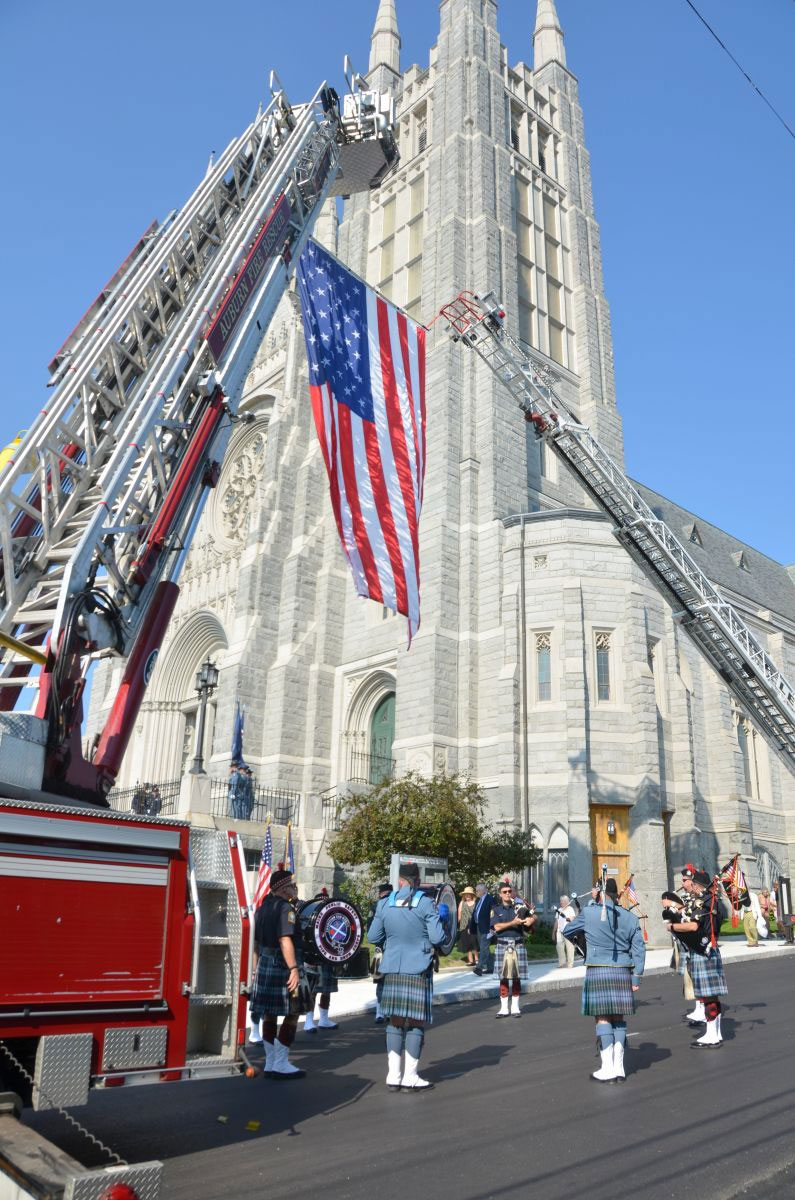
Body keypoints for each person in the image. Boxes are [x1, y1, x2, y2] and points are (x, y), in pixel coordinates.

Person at [367, 861, 445, 1092]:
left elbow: (372, 937)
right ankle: (410, 1076)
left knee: (395, 1021)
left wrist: (391, 944)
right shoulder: (426, 903)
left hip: (392, 967)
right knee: (415, 1023)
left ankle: (393, 1075)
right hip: (418, 968)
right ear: (417, 881)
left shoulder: (384, 904)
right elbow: (438, 938)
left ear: (399, 881)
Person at [564, 877, 646, 1083]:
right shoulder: (630, 917)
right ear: (616, 895)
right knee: (618, 1018)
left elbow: (567, 931)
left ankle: (607, 1066)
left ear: (601, 894)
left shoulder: (590, 913)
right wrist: (636, 976)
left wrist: (583, 932)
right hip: (623, 971)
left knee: (602, 1018)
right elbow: (639, 949)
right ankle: (619, 1067)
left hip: (599, 969)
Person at [250, 867, 309, 1078]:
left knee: (269, 1013)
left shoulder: (261, 908)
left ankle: (270, 1062)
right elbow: (285, 939)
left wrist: (254, 970)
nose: (294, 889)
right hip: (283, 965)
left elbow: (255, 944)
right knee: (293, 1012)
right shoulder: (286, 909)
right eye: (292, 885)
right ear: (284, 889)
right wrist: (293, 968)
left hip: (265, 964)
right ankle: (281, 1063)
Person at [667, 869, 728, 1048]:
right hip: (707, 949)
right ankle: (714, 1033)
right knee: (710, 996)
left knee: (709, 995)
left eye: (691, 883)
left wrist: (674, 926)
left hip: (704, 950)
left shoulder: (705, 901)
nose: (690, 886)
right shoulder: (710, 900)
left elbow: (694, 926)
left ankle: (712, 1035)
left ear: (696, 884)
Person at [490, 881, 536, 1017]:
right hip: (503, 944)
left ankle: (515, 1007)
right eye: (504, 892)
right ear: (500, 894)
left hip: (518, 944)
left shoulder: (519, 907)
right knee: (503, 978)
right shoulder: (496, 909)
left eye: (509, 891)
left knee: (516, 977)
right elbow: (496, 927)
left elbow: (532, 915)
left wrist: (532, 919)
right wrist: (513, 923)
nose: (507, 894)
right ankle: (504, 1008)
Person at [304, 889, 339, 1034]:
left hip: (328, 958)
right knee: (312, 991)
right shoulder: (311, 917)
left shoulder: (331, 917)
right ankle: (308, 1021)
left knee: (326, 990)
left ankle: (324, 1019)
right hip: (314, 958)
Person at [371, 881, 392, 1023]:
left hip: (383, 949)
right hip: (383, 948)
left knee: (383, 982)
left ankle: (382, 1011)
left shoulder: (377, 906)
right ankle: (380, 1010)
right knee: (382, 981)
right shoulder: (375, 907)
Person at [469, 881, 495, 975]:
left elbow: (493, 914)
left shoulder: (490, 899)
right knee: (485, 948)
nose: (476, 892)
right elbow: (475, 913)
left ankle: (479, 967)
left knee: (484, 947)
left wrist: (492, 928)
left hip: (487, 927)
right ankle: (491, 967)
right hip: (478, 927)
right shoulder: (478, 900)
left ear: (483, 891)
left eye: (477, 891)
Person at [553, 894, 576, 969]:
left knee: (570, 947)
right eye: (560, 901)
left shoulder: (570, 909)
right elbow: (556, 921)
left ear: (566, 902)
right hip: (560, 931)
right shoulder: (559, 910)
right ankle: (562, 963)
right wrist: (554, 932)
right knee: (559, 947)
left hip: (568, 931)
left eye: (562, 901)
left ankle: (570, 964)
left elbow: (573, 919)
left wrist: (568, 918)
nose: (561, 902)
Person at [457, 887, 478, 966]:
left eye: (469, 895)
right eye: (466, 895)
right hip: (464, 925)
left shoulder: (476, 903)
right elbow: (459, 915)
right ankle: (471, 960)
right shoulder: (462, 903)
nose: (467, 896)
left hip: (473, 925)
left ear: (472, 895)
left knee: (474, 942)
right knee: (467, 944)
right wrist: (457, 924)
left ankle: (477, 959)